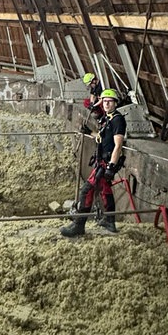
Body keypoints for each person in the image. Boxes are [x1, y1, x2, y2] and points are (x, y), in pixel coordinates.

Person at [61, 88, 126, 237]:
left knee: (86, 190)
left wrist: (111, 166)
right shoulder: (108, 118)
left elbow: (118, 145)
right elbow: (103, 138)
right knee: (105, 190)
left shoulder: (117, 120)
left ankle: (79, 225)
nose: (106, 104)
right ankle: (110, 221)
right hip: (102, 161)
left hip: (106, 163)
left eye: (109, 102)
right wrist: (90, 133)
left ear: (115, 103)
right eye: (104, 101)